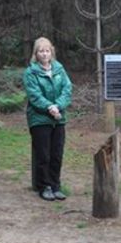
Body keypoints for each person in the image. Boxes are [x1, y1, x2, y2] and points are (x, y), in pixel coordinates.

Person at [23, 37, 73, 201]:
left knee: (56, 154)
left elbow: (67, 89)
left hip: (58, 118)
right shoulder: (31, 72)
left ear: (51, 52)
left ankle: (56, 185)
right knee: (43, 155)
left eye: (47, 51)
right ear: (35, 54)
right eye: (41, 51)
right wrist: (49, 107)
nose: (44, 54)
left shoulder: (59, 69)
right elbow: (34, 95)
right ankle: (44, 186)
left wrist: (58, 106)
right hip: (40, 119)